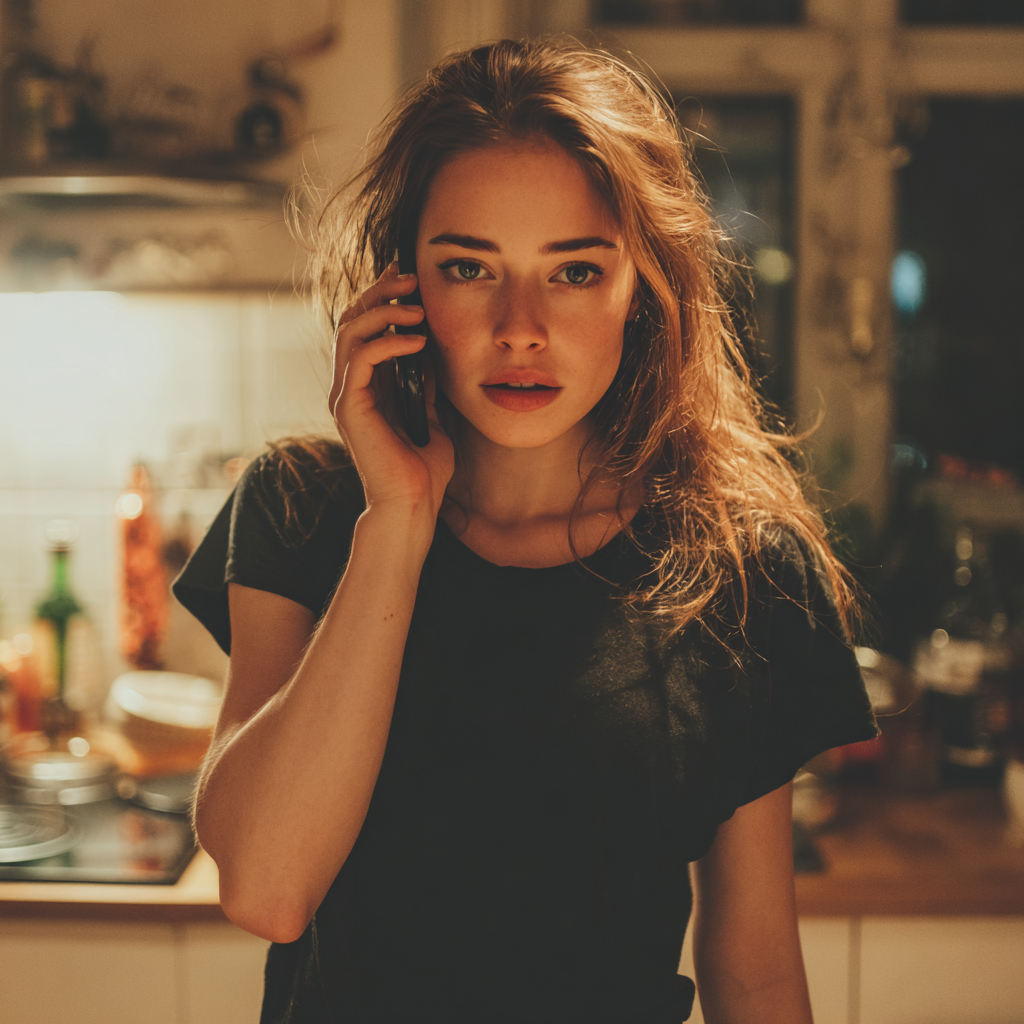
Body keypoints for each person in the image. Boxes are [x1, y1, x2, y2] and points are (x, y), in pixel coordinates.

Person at [174, 38, 876, 1024]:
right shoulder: (303, 507)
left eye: (574, 272)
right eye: (469, 267)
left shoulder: (737, 570)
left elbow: (753, 967)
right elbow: (266, 886)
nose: (520, 326)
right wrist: (398, 520)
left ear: (643, 286)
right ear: (400, 285)